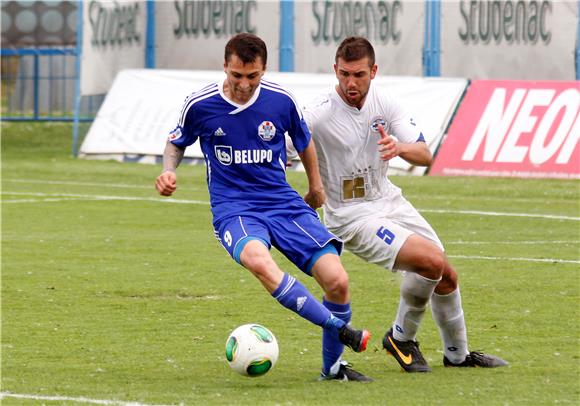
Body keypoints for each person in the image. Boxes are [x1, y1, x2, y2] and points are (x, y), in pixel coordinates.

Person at [155, 33, 372, 382]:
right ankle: (339, 328)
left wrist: (315, 186)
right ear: (225, 66)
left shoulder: (280, 101)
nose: (243, 84)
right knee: (259, 261)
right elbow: (176, 141)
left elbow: (303, 140)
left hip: (282, 203)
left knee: (338, 281)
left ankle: (332, 371)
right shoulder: (201, 104)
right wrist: (168, 170)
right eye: (236, 75)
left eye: (252, 76)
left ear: (263, 70)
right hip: (234, 209)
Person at [300, 36, 508, 372]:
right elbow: (293, 142)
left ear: (374, 71)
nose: (351, 83)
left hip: (387, 199)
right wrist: (314, 184)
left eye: (359, 75)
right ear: (335, 70)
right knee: (429, 262)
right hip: (351, 216)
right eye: (344, 74)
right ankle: (400, 338)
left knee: (446, 276)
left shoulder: (386, 103)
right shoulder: (318, 112)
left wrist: (398, 149)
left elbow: (424, 155)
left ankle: (457, 356)